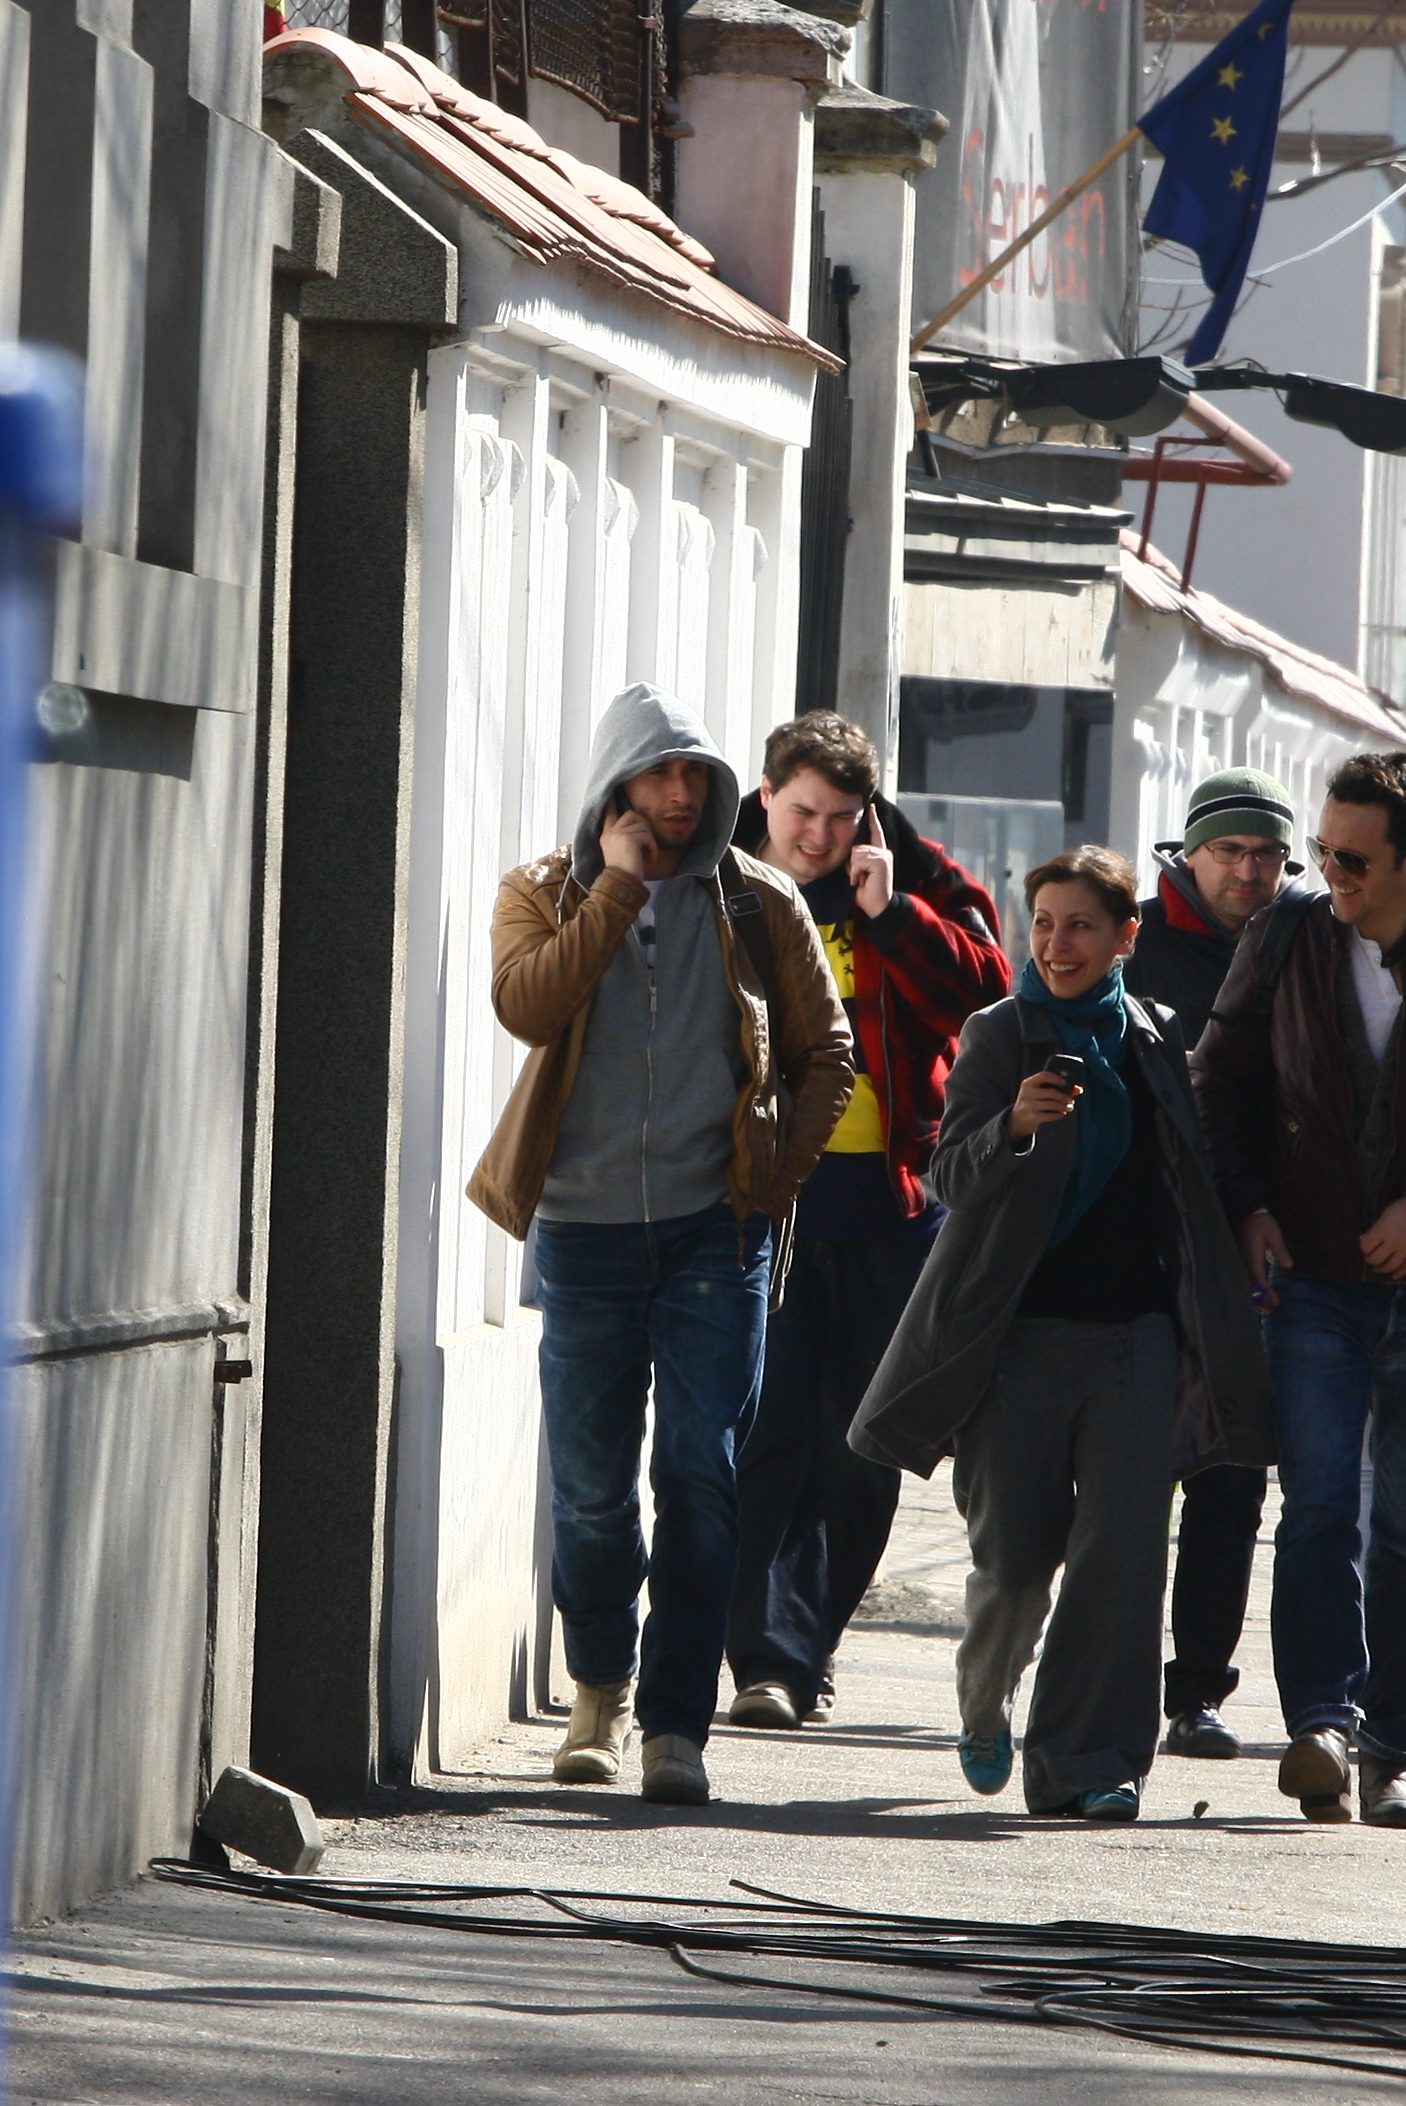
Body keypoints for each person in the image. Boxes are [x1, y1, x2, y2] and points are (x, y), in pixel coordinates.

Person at [468, 684, 853, 1807]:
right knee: (592, 1489)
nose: (681, 796)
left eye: (696, 776)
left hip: (711, 1229)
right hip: (583, 1232)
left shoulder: (757, 901)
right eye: (658, 775)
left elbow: (827, 1051)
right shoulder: (539, 892)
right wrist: (616, 891)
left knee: (701, 1471)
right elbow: (528, 1008)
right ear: (615, 785)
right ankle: (599, 1687)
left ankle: (676, 1724)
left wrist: (771, 1175)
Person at [851, 849, 1270, 1822]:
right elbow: (948, 1177)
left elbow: (1200, 1182)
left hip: (1136, 1342)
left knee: (1123, 1552)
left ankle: (1090, 1760)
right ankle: (987, 1695)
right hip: (1016, 1341)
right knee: (1015, 1560)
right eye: (1042, 922)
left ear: (1128, 936)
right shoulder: (1001, 1035)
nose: (1056, 943)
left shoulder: (1161, 1043)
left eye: (1080, 924)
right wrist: (1015, 1127)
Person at [1191, 752, 1406, 1831]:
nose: (1326, 873)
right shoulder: (1286, 936)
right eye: (1321, 852)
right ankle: (1319, 1728)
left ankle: (1391, 1747)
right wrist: (1248, 1206)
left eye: (1352, 858)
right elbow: (1223, 1080)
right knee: (1319, 1508)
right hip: (1317, 1280)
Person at [722, 713, 1008, 1731]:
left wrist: (894, 920)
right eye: (803, 811)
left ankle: (814, 1641)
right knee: (772, 1437)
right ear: (767, 795)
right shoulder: (731, 885)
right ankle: (765, 1656)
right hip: (765, 1204)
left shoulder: (913, 877)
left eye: (842, 817)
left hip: (891, 1212)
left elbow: (990, 991)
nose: (820, 835)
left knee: (865, 1448)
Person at [1126, 767, 1297, 1763]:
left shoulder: (1303, 949)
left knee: (1232, 1482)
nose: (1248, 870)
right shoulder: (1134, 940)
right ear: (1189, 854)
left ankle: (1197, 1691)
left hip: (1251, 1256)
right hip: (1142, 1247)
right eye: (1230, 851)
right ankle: (1103, 1673)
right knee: (1126, 1481)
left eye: (1268, 855)